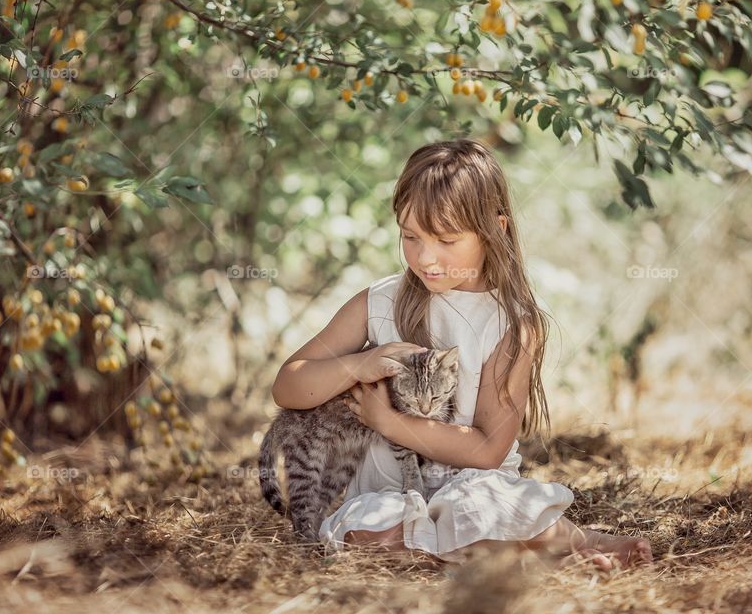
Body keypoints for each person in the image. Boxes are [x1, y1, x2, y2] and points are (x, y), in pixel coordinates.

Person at [271, 139, 652, 570]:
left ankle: (578, 543)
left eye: (446, 239)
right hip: (390, 497)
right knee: (367, 536)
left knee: (484, 513)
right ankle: (542, 563)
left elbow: (489, 449)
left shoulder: (510, 323)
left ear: (496, 228)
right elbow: (289, 386)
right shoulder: (377, 303)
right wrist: (357, 363)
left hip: (475, 484)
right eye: (410, 236)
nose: (425, 257)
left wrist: (389, 422)